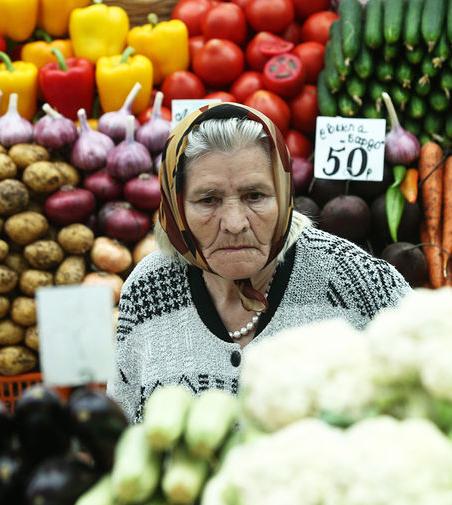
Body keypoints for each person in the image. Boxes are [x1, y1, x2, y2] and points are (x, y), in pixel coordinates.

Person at [106, 103, 411, 422]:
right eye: (208, 200)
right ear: (176, 206)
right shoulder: (149, 289)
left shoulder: (356, 279)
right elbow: (119, 427)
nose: (235, 222)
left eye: (255, 196)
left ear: (283, 194)